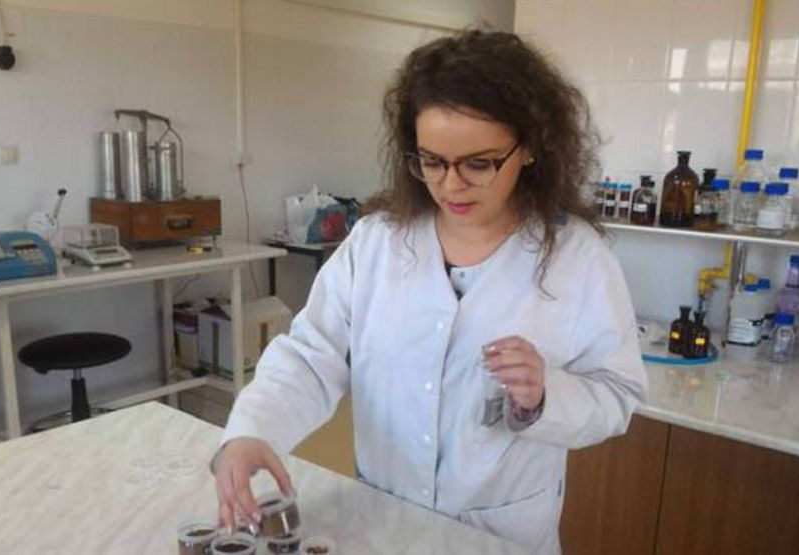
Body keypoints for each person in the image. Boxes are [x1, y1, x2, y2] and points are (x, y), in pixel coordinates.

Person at [212, 29, 647, 554]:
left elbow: (617, 392)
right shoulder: (378, 242)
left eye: (479, 163)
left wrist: (546, 396)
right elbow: (310, 356)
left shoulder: (576, 259)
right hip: (384, 522)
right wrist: (252, 431)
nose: (451, 185)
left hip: (500, 536)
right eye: (433, 161)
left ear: (531, 147)